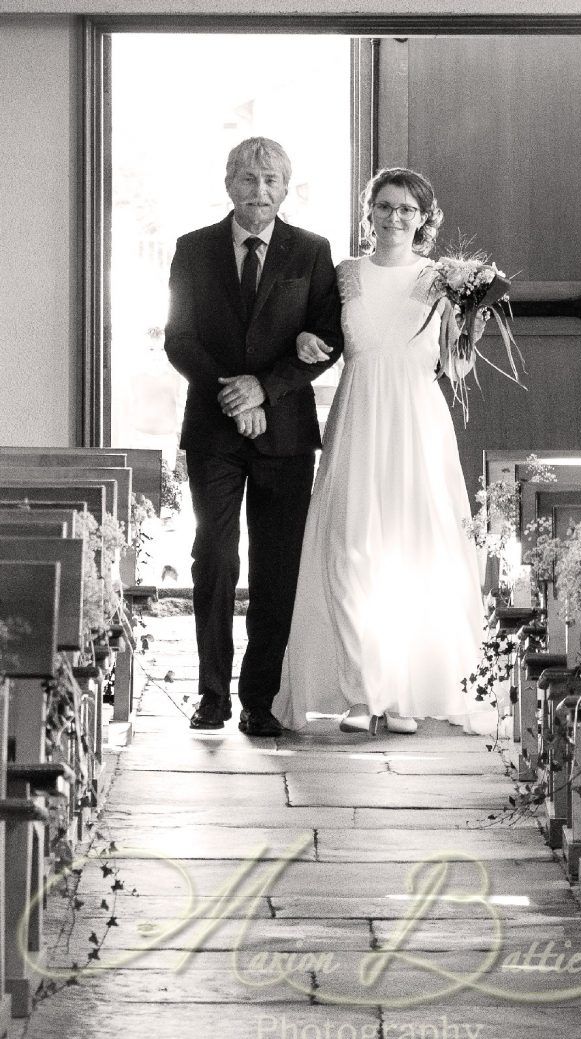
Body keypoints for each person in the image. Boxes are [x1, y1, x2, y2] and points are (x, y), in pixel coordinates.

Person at [272, 167, 485, 736]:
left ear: (424, 219)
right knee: (350, 549)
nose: (395, 218)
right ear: (368, 213)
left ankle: (405, 690)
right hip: (359, 414)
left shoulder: (444, 280)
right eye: (385, 206)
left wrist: (471, 331)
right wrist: (301, 339)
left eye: (407, 210)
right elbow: (314, 335)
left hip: (416, 420)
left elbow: (454, 368)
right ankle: (362, 691)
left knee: (414, 550)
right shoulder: (344, 275)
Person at [164, 137, 343, 735]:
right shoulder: (193, 250)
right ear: (228, 183)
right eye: (247, 179)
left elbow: (325, 341)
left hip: (286, 434)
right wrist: (232, 394)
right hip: (213, 430)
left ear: (287, 187)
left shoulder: (312, 252)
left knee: (276, 567)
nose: (258, 191)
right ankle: (211, 694)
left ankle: (258, 700)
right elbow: (179, 339)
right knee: (213, 557)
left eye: (270, 180)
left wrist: (264, 389)